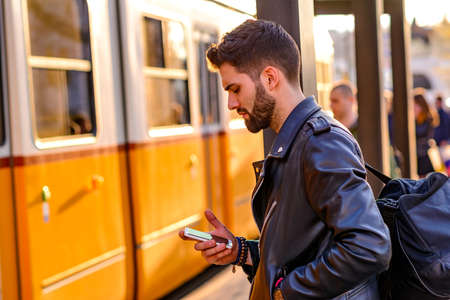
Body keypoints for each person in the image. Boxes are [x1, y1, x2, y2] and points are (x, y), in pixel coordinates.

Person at [179, 19, 391, 300]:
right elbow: (305, 252)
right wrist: (241, 251)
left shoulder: (322, 143)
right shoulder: (298, 143)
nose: (231, 104)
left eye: (235, 89)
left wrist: (285, 292)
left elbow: (368, 247)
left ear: (269, 78)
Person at [414, 90, 439, 177]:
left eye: (416, 105)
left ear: (421, 105)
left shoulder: (428, 119)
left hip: (424, 155)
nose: (414, 107)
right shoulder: (412, 119)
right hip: (416, 155)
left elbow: (424, 136)